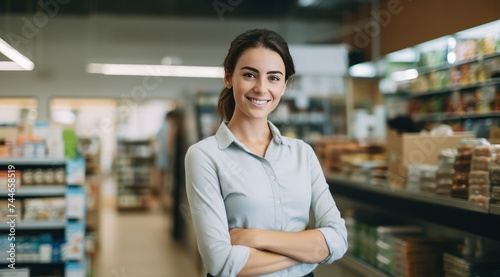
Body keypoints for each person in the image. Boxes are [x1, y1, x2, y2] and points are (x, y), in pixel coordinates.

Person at [185, 29, 348, 277]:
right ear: (229, 77)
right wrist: (311, 252)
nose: (261, 88)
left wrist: (254, 237)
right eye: (250, 75)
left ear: (284, 85)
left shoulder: (302, 153)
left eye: (273, 78)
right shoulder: (204, 156)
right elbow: (220, 262)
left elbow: (338, 240)